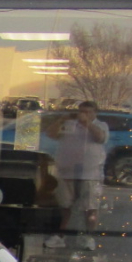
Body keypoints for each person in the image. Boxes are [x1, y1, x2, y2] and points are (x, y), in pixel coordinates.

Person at [44, 101, 108, 251]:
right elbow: (51, 134)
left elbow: (100, 138)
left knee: (90, 207)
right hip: (67, 172)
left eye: (88, 112)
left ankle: (88, 237)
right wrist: (62, 120)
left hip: (90, 173)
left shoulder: (101, 125)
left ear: (94, 113)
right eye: (81, 111)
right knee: (65, 206)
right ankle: (60, 236)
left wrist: (88, 124)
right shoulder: (70, 124)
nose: (83, 114)